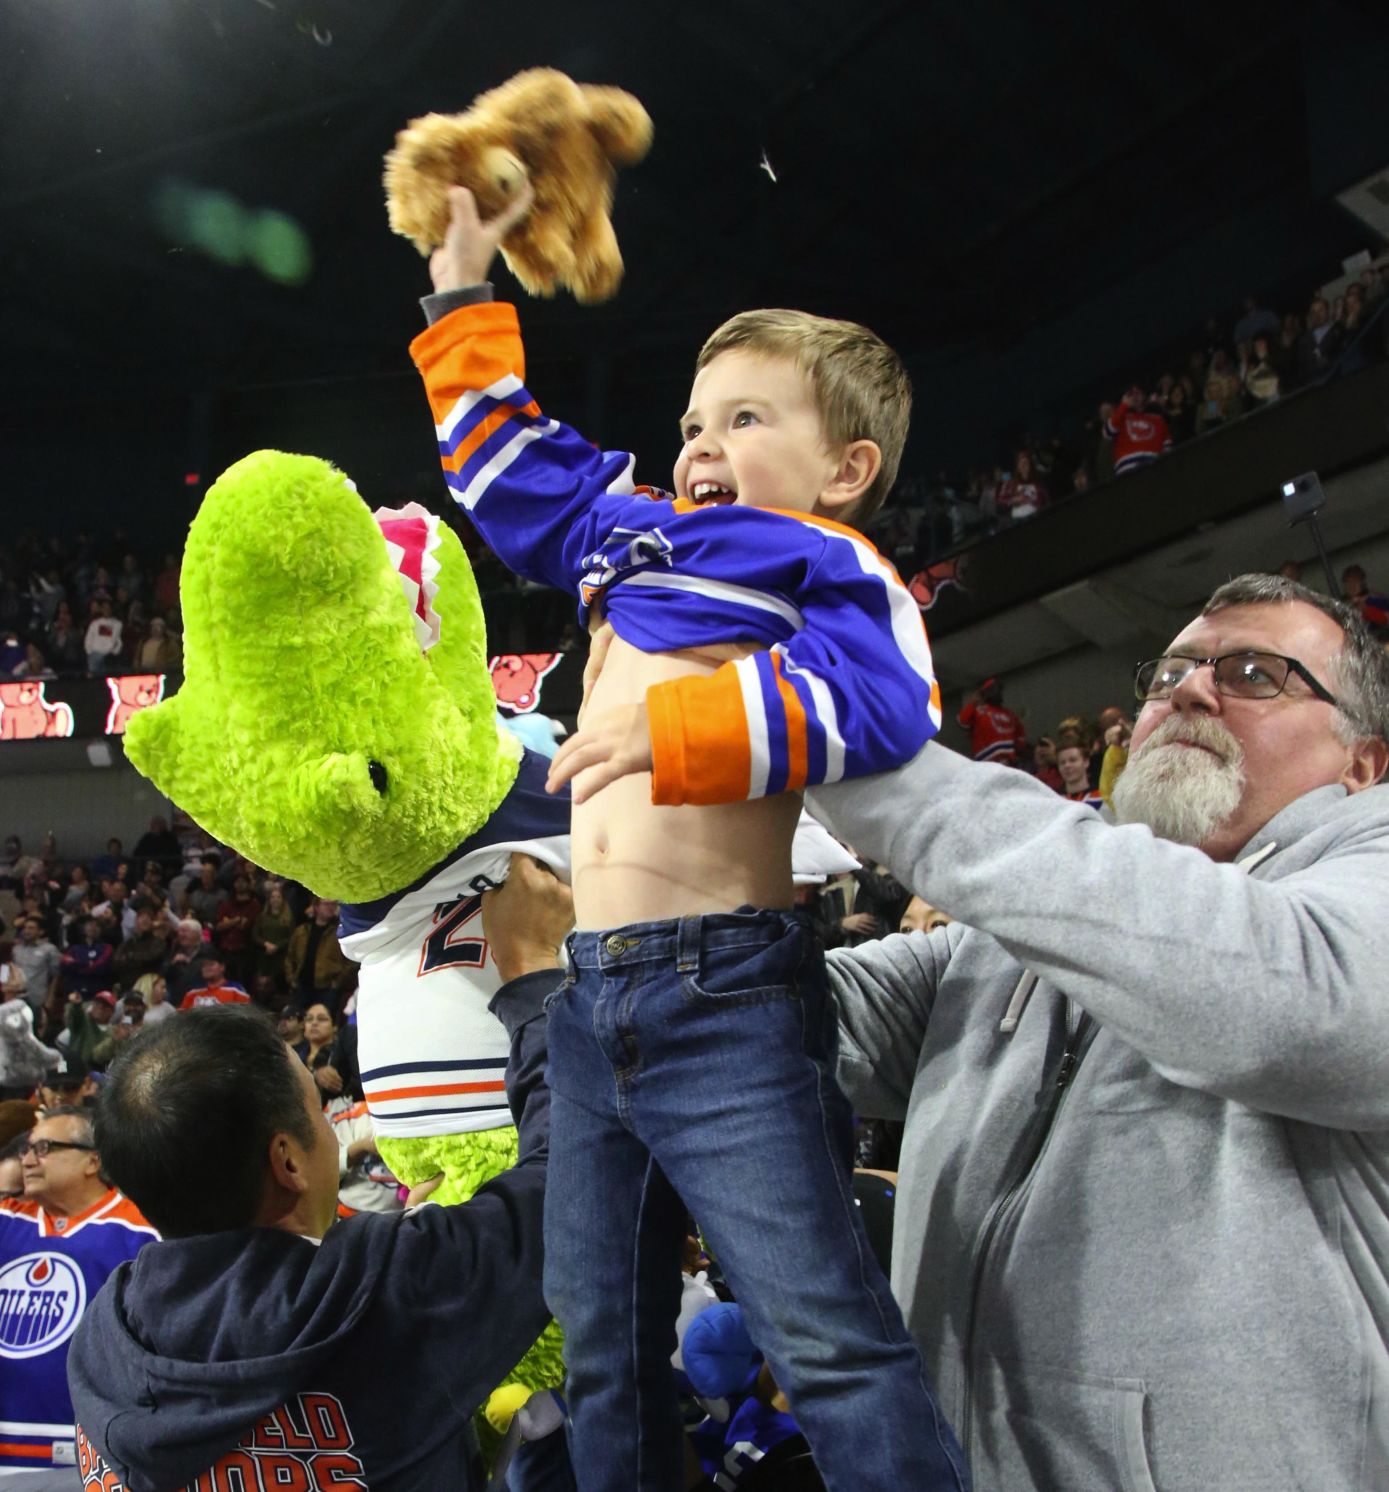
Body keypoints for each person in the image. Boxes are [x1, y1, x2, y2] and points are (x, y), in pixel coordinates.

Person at [414, 187, 964, 1492]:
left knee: (822, 1339)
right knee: (603, 1342)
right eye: (693, 421)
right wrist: (458, 292)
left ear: (846, 471)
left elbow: (890, 704)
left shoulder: (824, 565)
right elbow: (510, 470)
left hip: (727, 994)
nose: (703, 441)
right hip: (592, 1006)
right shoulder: (640, 535)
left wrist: (688, 729)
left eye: (746, 417)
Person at [796, 573, 1389, 1488]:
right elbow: (789, 1027)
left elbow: (1279, 1008)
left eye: (1253, 674)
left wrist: (849, 757)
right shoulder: (1013, 932)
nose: (1189, 689)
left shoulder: (1363, 882)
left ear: (1362, 764)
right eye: (1173, 671)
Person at [66, 858, 563, 1491]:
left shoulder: (104, 1340)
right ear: (289, 1162)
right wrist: (531, 972)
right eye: (314, 1108)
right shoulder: (400, 1287)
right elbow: (564, 1178)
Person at [0, 1106, 157, 1470]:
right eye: (26, 1148)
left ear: (92, 1161)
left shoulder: (144, 1233)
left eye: (44, 1148)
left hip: (86, 1453)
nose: (27, 1159)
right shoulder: (7, 1221)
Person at [284, 897, 354, 1014]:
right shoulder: (302, 931)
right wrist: (291, 977)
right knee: (297, 1019)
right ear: (316, 907)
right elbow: (290, 957)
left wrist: (338, 981)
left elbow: (350, 960)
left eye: (333, 904)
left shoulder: (340, 932)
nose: (330, 907)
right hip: (302, 986)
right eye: (326, 904)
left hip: (327, 988)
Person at [1102, 386, 1172, 475]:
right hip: (1127, 470)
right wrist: (1124, 406)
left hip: (1154, 468)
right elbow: (1108, 433)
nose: (1135, 396)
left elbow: (1168, 449)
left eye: (1138, 393)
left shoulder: (1158, 419)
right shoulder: (1120, 417)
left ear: (1144, 395)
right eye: (1131, 394)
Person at [956, 678, 1025, 766]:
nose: (997, 693)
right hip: (987, 764)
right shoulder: (978, 711)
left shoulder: (1010, 714)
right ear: (984, 694)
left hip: (1010, 764)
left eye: (998, 689)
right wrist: (972, 703)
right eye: (992, 690)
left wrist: (1017, 754)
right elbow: (962, 722)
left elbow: (1020, 736)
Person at [177, 955, 250, 1010]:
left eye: (211, 964)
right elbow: (181, 1018)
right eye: (204, 965)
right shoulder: (193, 993)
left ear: (222, 967)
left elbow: (247, 1017)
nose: (207, 968)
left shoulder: (236, 990)